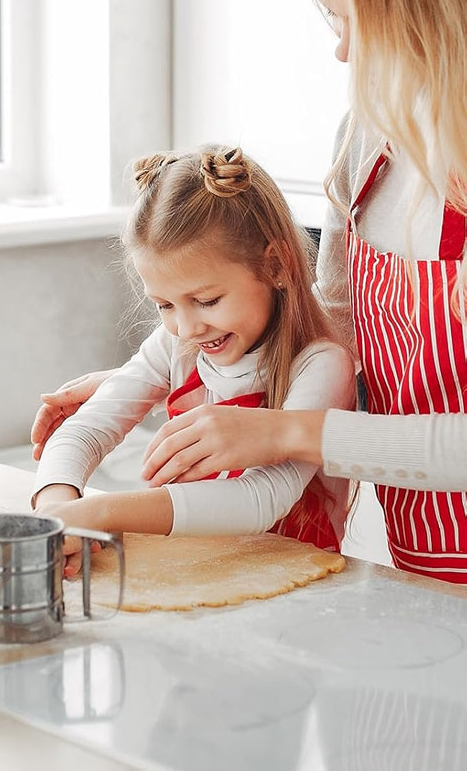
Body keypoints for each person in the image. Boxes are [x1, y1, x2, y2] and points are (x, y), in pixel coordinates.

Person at [32, 0, 467, 584]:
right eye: (332, 17)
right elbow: (338, 334)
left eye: (357, 21)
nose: (341, 52)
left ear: (433, 11)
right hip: (418, 555)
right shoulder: (368, 142)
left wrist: (285, 428)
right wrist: (181, 374)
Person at [32, 143, 356, 573]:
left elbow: (263, 499)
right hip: (188, 569)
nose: (186, 328)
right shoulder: (176, 348)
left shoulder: (320, 367)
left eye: (206, 300)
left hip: (293, 580)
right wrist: (59, 509)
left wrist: (101, 513)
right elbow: (85, 430)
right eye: (164, 305)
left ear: (276, 266)